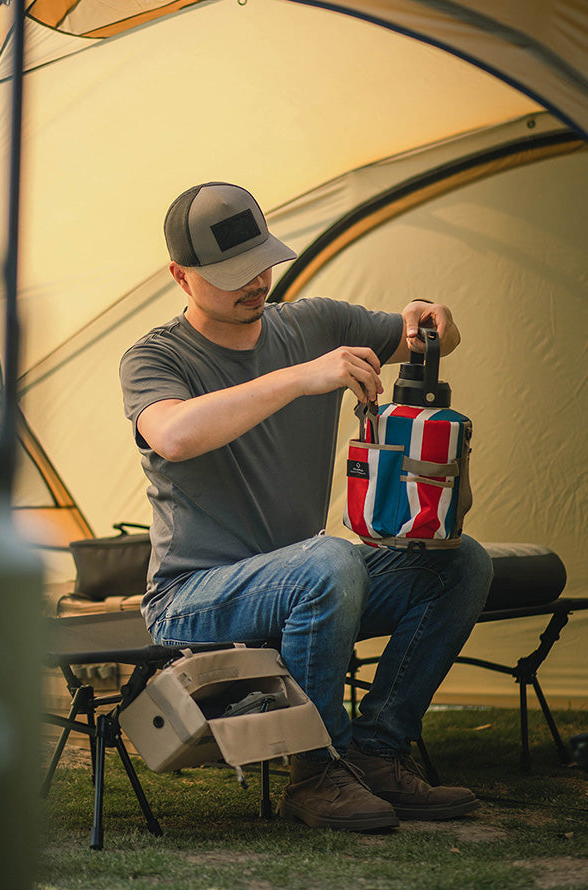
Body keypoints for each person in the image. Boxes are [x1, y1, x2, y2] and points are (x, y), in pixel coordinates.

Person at [119, 181, 493, 832]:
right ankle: (314, 772)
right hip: (193, 597)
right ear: (179, 275)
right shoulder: (156, 356)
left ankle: (375, 755)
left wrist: (431, 319)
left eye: (262, 261)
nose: (255, 281)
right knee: (328, 562)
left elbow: (430, 337)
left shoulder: (312, 323)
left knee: (460, 563)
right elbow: (174, 433)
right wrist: (303, 377)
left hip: (312, 583)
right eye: (232, 273)